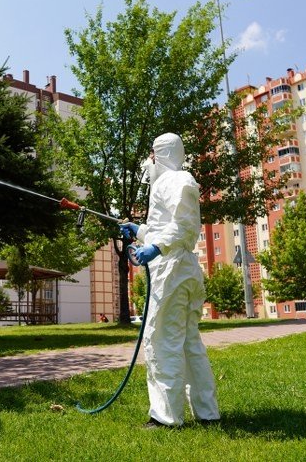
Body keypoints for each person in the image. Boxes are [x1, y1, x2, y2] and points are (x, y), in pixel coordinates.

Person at [120, 133, 220, 429]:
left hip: (173, 272)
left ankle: (166, 418)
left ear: (160, 154)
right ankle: (207, 413)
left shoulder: (176, 180)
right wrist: (140, 231)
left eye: (152, 153)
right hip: (183, 270)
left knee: (161, 341)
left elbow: (185, 226)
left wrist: (156, 248)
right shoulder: (170, 184)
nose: (149, 160)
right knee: (189, 343)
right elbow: (168, 226)